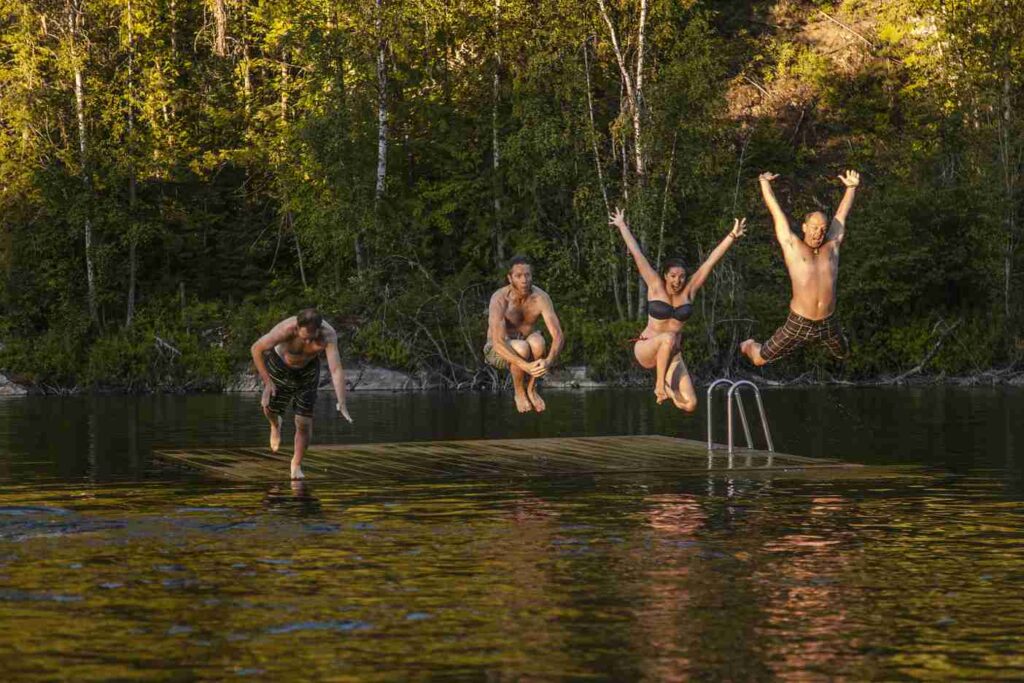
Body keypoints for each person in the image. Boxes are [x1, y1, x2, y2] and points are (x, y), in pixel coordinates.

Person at [610, 207, 747, 411]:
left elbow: (710, 262)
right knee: (668, 337)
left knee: (690, 404)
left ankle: (669, 390)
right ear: (665, 275)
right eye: (673, 276)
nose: (678, 280)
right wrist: (621, 225)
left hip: (672, 355)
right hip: (647, 348)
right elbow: (637, 254)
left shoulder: (689, 291)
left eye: (681, 276)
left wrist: (732, 236)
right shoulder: (655, 285)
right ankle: (659, 386)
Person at [740, 170, 860, 365]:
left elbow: (841, 215)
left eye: (822, 229)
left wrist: (851, 188)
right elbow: (776, 212)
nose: (818, 233)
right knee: (759, 360)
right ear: (804, 227)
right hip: (799, 322)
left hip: (827, 322)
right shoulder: (793, 246)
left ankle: (839, 340)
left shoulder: (832, 247)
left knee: (844, 354)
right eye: (814, 228)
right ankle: (748, 345)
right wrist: (764, 183)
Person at [250, 308, 353, 480]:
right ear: (297, 328)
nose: (308, 341)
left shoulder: (328, 335)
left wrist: (342, 402)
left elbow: (335, 369)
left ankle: (296, 464)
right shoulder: (285, 330)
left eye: (312, 338)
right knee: (268, 408)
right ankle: (275, 425)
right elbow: (256, 349)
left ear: (319, 330)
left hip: (308, 371)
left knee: (304, 421)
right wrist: (268, 383)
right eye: (305, 337)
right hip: (280, 366)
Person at [485, 256, 565, 413]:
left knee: (538, 342)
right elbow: (497, 341)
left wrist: (548, 361)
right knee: (522, 348)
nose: (524, 280)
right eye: (519, 276)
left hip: (524, 341)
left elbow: (558, 335)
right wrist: (525, 366)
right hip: (496, 349)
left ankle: (532, 388)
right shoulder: (500, 299)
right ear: (510, 278)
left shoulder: (541, 298)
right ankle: (519, 392)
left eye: (527, 275)